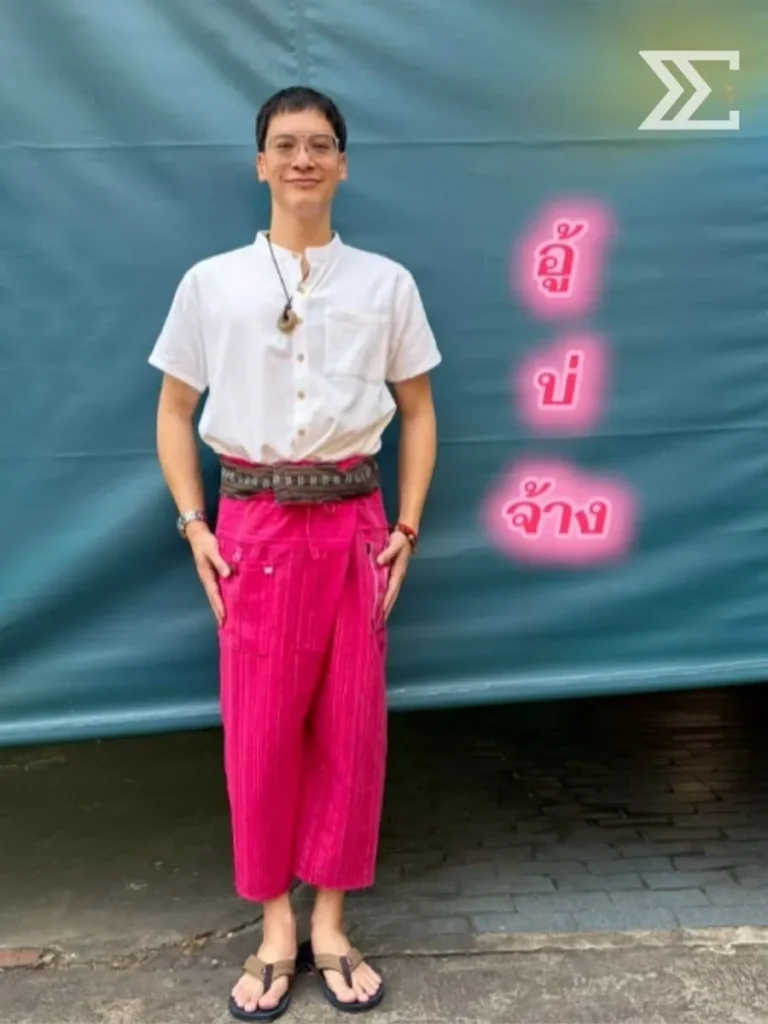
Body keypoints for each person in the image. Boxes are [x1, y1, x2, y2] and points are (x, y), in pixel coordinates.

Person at [148, 85, 440, 1020]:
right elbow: (174, 412)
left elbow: (420, 411)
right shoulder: (211, 284)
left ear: (343, 164)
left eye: (320, 144)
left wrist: (406, 529)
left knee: (350, 733)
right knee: (261, 736)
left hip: (356, 524)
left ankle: (331, 923)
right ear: (260, 163)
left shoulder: (386, 284)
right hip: (254, 528)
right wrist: (195, 526)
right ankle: (276, 925)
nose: (303, 159)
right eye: (285, 144)